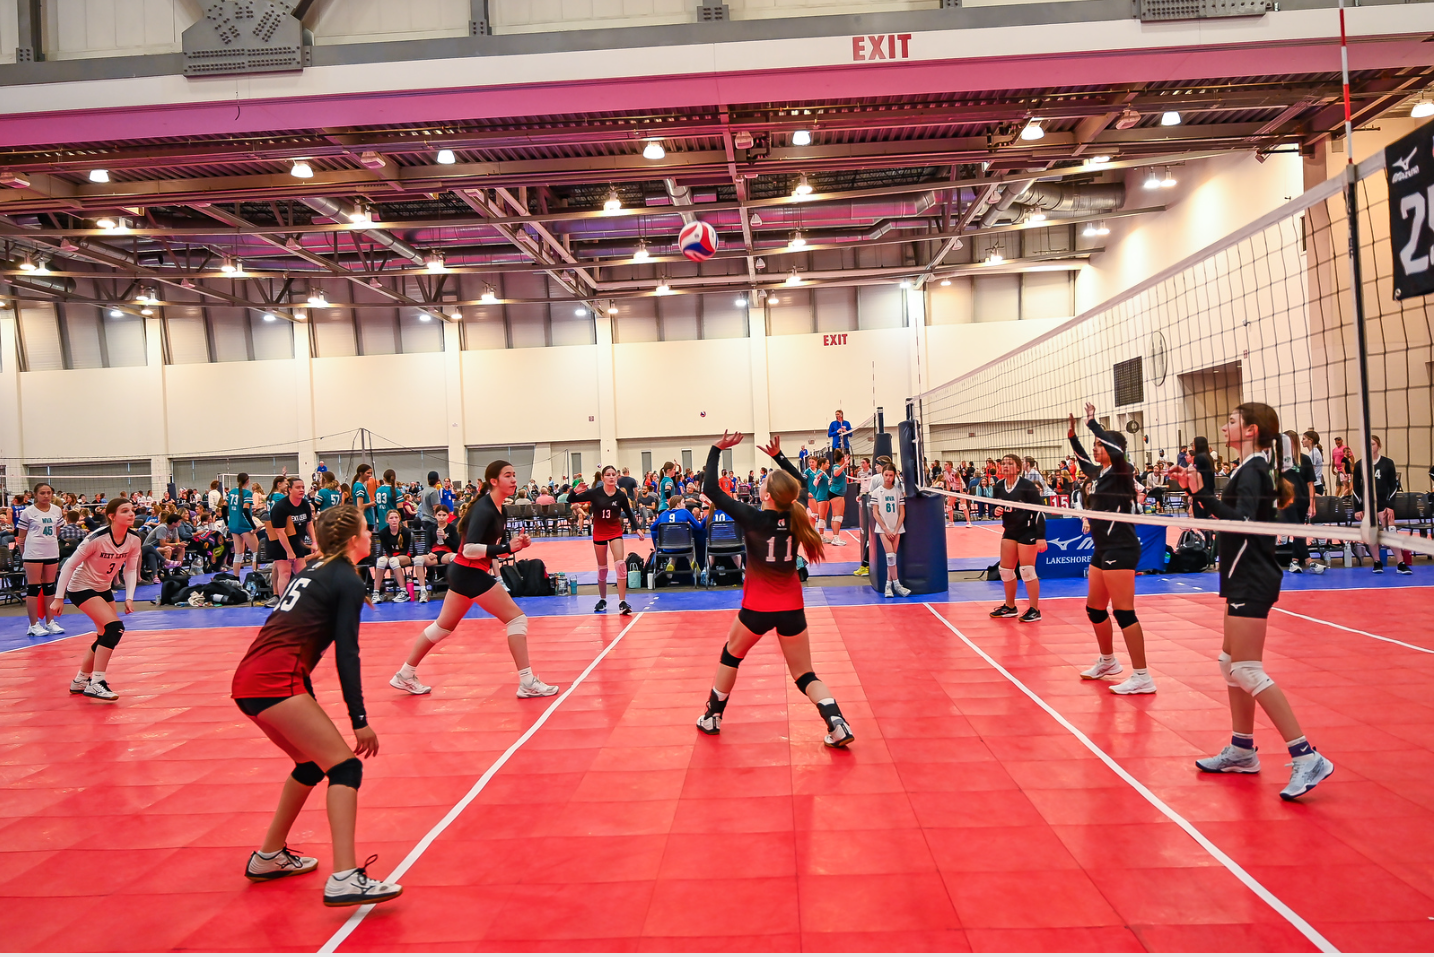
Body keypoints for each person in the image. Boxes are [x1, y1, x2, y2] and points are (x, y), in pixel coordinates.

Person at [231, 505, 403, 906]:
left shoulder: (317, 569)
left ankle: (268, 856)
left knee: (310, 764)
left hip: (250, 681)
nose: (371, 533)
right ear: (351, 538)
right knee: (345, 766)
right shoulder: (345, 576)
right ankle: (344, 875)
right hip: (274, 682)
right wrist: (358, 719)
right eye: (366, 528)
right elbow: (347, 654)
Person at [1171, 402, 1334, 801]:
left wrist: (1203, 494)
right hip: (1240, 574)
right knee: (1230, 663)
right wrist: (1200, 492)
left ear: (1251, 430)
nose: (1224, 425)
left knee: (1245, 668)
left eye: (1231, 421)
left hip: (1252, 575)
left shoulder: (1254, 470)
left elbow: (1240, 524)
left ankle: (1306, 756)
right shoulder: (1250, 469)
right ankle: (1243, 749)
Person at [697, 432, 854, 748]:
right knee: (805, 674)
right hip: (792, 608)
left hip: (756, 608)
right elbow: (805, 486)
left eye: (764, 483)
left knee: (731, 654)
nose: (760, 484)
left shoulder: (753, 517)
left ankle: (712, 716)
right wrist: (780, 457)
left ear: (768, 495)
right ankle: (837, 722)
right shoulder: (795, 516)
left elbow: (710, 489)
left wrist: (716, 449)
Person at [389, 460, 559, 699]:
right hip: (468, 572)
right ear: (493, 481)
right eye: (507, 475)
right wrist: (503, 548)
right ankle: (527, 681)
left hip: (463, 572)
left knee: (441, 628)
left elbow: (488, 548)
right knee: (517, 620)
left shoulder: (499, 509)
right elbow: (469, 549)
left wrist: (514, 547)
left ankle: (405, 674)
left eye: (514, 475)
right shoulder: (484, 509)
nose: (513, 479)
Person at [1069, 405, 1153, 694]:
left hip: (1122, 546)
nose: (1095, 449)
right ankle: (1108, 661)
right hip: (1102, 547)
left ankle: (1142, 676)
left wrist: (1093, 424)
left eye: (1100, 445)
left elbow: (1115, 453)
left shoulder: (1122, 469)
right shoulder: (1100, 473)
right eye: (1094, 446)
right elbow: (1082, 462)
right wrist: (1072, 437)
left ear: (1113, 448)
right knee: (1094, 608)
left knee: (1124, 612)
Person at [51, 497, 142, 701]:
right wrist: (58, 598)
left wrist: (129, 597)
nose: (131, 514)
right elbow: (69, 565)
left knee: (104, 635)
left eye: (132, 510)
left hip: (103, 588)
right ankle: (97, 682)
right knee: (114, 628)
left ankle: (81, 680)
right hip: (81, 587)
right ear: (112, 516)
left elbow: (130, 569)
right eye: (125, 511)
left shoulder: (134, 539)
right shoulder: (96, 538)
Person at [566, 466, 644, 615]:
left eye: (613, 475)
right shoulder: (595, 493)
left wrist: (637, 528)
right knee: (602, 569)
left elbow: (629, 513)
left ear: (617, 477)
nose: (611, 477)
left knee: (620, 564)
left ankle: (622, 602)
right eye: (607, 475)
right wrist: (575, 490)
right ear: (602, 478)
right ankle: (602, 599)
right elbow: (571, 499)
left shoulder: (620, 495)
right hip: (599, 533)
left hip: (615, 531)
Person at [989, 453, 1047, 622]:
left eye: (1010, 463)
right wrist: (996, 511)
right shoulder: (999, 486)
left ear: (1018, 468)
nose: (1005, 466)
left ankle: (1035, 609)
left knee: (1027, 570)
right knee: (1005, 571)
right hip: (1010, 531)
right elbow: (995, 508)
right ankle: (1010, 606)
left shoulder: (1027, 486)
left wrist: (1040, 536)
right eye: (1004, 464)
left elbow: (1039, 511)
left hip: (1027, 531)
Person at [1351, 435, 1412, 574]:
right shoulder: (1360, 465)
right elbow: (1356, 489)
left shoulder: (1387, 463)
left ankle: (1400, 563)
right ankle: (1377, 562)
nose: (1370, 447)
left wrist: (1390, 506)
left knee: (1391, 532)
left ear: (1378, 446)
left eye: (1372, 444)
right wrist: (1358, 508)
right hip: (1368, 506)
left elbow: (1393, 486)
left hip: (1383, 505)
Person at [16, 482, 66, 638]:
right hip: (33, 553)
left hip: (51, 551)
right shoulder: (28, 512)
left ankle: (50, 622)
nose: (46, 496)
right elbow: (21, 537)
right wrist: (24, 555)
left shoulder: (57, 510)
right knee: (34, 587)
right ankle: (33, 624)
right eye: (42, 493)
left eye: (49, 493)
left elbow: (56, 532)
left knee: (50, 587)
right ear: (35, 495)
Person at [1280, 431, 1324, 574]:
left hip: (1302, 500)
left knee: (1298, 529)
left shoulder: (1304, 459)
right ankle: (1309, 561)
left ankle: (1294, 562)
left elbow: (1311, 484)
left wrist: (1312, 504)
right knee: (1297, 529)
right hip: (1287, 501)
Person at [267, 477, 316, 603]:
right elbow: (279, 531)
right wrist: (289, 551)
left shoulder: (305, 504)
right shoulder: (281, 507)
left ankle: (304, 601)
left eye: (303, 487)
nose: (301, 490)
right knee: (285, 572)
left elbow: (309, 524)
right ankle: (283, 602)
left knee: (303, 573)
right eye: (298, 487)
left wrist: (314, 542)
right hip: (279, 542)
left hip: (296, 541)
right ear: (290, 490)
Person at [869, 463, 911, 597]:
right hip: (883, 529)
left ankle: (888, 585)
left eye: (891, 475)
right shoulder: (877, 492)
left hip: (897, 528)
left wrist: (896, 529)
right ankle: (897, 585)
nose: (888, 478)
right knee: (890, 557)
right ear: (882, 475)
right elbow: (875, 513)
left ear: (894, 476)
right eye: (886, 475)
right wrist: (886, 529)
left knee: (892, 558)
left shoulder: (898, 492)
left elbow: (902, 513)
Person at [373, 509, 418, 603]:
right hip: (390, 555)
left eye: (396, 517)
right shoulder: (383, 533)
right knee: (381, 560)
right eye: (391, 518)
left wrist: (392, 559)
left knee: (394, 561)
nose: (394, 520)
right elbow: (388, 551)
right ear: (387, 520)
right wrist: (389, 558)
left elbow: (405, 550)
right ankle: (376, 593)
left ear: (399, 519)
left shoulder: (406, 532)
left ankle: (403, 592)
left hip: (404, 556)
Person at [224, 472, 261, 576]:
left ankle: (236, 578)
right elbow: (245, 510)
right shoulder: (247, 493)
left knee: (238, 554)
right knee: (256, 553)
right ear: (248, 481)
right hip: (244, 526)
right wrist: (254, 526)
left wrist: (227, 523)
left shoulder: (232, 492)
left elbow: (223, 508)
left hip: (233, 526)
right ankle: (256, 577)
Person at [826, 449, 849, 546]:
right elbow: (835, 473)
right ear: (842, 458)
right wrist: (844, 465)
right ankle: (836, 538)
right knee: (837, 516)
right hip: (836, 493)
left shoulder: (838, 466)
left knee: (836, 516)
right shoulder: (836, 466)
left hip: (836, 493)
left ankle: (836, 537)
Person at [1302, 431, 1325, 497]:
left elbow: (1310, 471)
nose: (1302, 441)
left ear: (1311, 440)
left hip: (1315, 486)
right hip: (1315, 485)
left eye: (1304, 439)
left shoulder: (1313, 453)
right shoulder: (1314, 452)